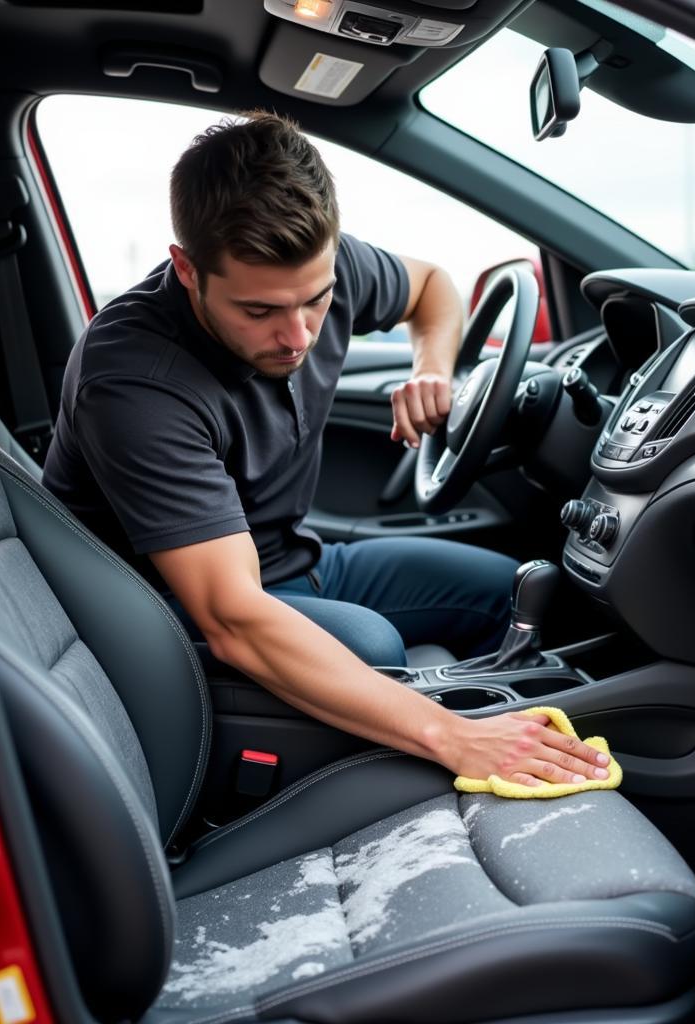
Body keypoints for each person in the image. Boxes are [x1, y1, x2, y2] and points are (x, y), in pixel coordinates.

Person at [43, 111, 611, 788]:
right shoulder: (135, 381)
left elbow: (432, 288)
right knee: (374, 647)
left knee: (514, 591)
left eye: (317, 300)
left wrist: (432, 370)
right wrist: (453, 737)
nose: (298, 335)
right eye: (259, 312)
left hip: (298, 560)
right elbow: (232, 614)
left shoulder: (323, 270)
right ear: (188, 269)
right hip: (161, 611)